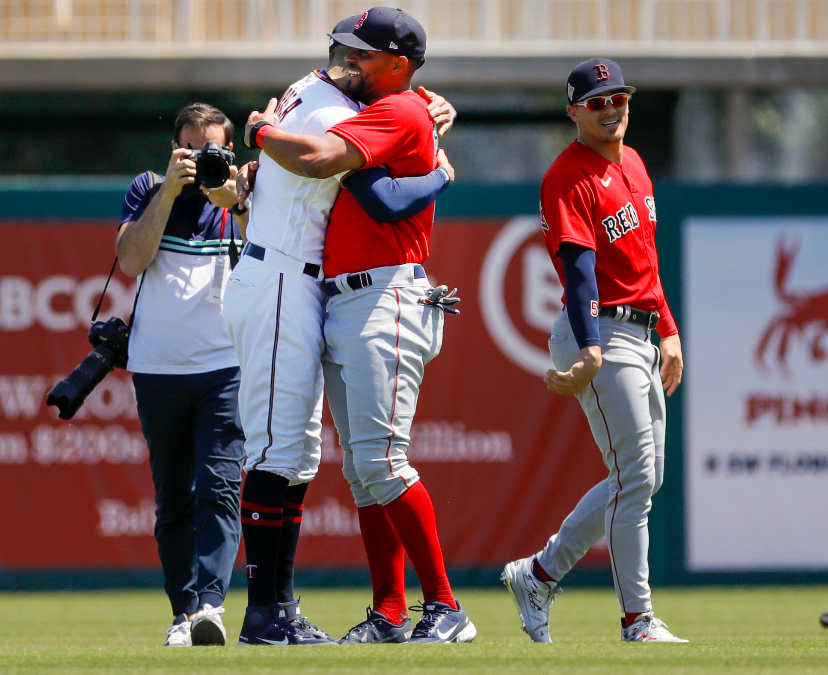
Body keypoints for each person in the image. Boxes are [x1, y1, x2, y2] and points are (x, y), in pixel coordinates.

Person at [237, 7, 472, 646]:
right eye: (347, 50)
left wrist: (261, 132)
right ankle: (369, 612)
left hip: (369, 292)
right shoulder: (369, 102)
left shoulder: (389, 109)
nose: (350, 60)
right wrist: (438, 153)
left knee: (366, 461)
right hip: (313, 284)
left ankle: (440, 608)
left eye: (363, 53)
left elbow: (373, 193)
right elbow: (368, 163)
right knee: (336, 462)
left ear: (397, 64)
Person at [499, 58, 687, 644]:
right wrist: (588, 346)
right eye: (598, 101)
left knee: (643, 477)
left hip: (643, 330)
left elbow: (646, 261)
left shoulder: (633, 162)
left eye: (619, 98)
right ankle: (638, 620)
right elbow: (577, 271)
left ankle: (539, 572)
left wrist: (670, 329)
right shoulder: (567, 175)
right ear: (575, 111)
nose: (612, 109)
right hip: (602, 330)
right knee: (635, 478)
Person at [116, 102, 248, 648]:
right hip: (158, 368)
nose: (200, 159)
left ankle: (211, 608)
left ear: (230, 151)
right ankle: (181, 612)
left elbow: (274, 261)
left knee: (219, 487)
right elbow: (130, 259)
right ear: (174, 149)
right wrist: (169, 192)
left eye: (210, 150)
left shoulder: (247, 194)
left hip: (225, 366)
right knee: (174, 496)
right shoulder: (149, 188)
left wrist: (238, 204)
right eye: (190, 150)